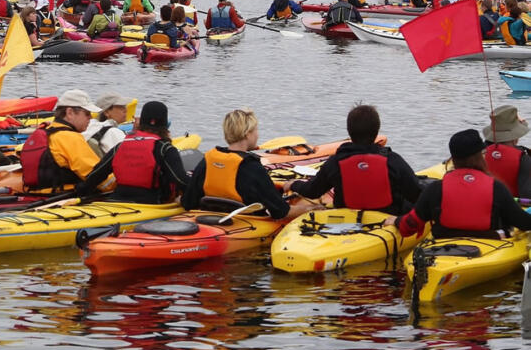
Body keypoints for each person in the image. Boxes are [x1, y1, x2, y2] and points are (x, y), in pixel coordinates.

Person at [390, 129, 531, 240]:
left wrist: (397, 221)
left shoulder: (435, 189)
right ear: (481, 156)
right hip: (488, 244)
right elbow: (524, 223)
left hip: (443, 246)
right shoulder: (496, 187)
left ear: (453, 159)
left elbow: (408, 227)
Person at [283, 104, 422, 216]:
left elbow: (312, 191)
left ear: (349, 131)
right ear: (376, 131)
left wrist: (294, 184)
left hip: (346, 217)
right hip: (387, 216)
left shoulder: (335, 162)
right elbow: (416, 193)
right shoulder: (393, 160)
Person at [183, 109, 315, 218]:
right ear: (247, 134)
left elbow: (188, 203)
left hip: (208, 219)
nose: (257, 135)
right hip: (245, 224)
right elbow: (282, 212)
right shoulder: (252, 167)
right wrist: (311, 208)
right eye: (255, 130)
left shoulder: (208, 159)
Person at [78, 100, 190, 203]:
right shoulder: (165, 148)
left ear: (141, 121)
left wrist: (79, 194)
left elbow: (95, 176)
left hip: (117, 199)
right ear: (165, 124)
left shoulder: (121, 145)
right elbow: (180, 180)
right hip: (151, 203)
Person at [19, 90, 102, 190]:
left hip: (38, 192)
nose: (90, 117)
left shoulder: (46, 131)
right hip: (62, 196)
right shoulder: (70, 138)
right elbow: (98, 178)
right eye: (87, 113)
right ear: (70, 113)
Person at [482, 105, 531, 198]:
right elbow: (526, 194)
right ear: (516, 138)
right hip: (513, 208)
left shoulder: (478, 155)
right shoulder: (524, 159)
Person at [82, 92, 131, 156]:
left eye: (125, 106)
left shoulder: (90, 128)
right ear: (107, 112)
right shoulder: (113, 132)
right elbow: (131, 155)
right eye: (121, 107)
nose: (126, 110)